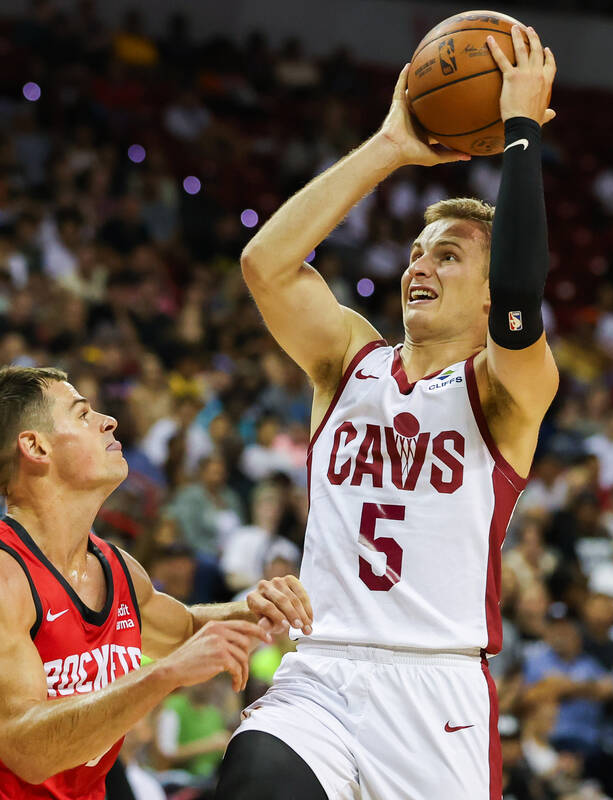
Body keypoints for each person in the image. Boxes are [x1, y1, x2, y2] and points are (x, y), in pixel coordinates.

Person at [217, 24, 558, 800]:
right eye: (415, 251)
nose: (421, 265)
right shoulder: (347, 360)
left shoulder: (508, 391)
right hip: (322, 672)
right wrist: (389, 146)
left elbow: (520, 291)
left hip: (436, 694)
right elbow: (264, 265)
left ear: (485, 291)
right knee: (256, 779)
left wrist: (521, 131)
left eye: (448, 254)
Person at [0, 366, 309, 799]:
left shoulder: (115, 566)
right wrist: (161, 676)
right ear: (35, 446)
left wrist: (259, 607)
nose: (108, 420)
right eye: (82, 414)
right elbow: (28, 750)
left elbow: (186, 632)